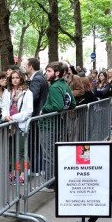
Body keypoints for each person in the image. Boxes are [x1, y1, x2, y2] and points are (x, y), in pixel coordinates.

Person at [38, 61, 75, 191]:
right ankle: (54, 180)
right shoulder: (63, 85)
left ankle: (50, 183)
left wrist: (44, 109)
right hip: (58, 124)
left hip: (49, 125)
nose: (46, 73)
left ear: (57, 73)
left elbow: (58, 106)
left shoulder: (54, 87)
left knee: (49, 155)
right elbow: (72, 104)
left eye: (48, 71)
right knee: (53, 153)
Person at [1, 69, 33, 183]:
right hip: (10, 125)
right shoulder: (7, 92)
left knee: (21, 151)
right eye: (13, 78)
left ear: (21, 79)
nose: (15, 80)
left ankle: (24, 173)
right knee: (11, 150)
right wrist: (6, 116)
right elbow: (4, 107)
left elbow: (29, 111)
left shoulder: (27, 93)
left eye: (17, 78)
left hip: (21, 124)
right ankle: (14, 171)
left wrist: (14, 117)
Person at [25, 57, 49, 176]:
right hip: (38, 114)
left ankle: (37, 169)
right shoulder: (40, 78)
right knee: (37, 142)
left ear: (30, 66)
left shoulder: (37, 80)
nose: (25, 67)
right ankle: (39, 168)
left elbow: (32, 97)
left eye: (26, 65)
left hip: (36, 115)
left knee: (34, 142)